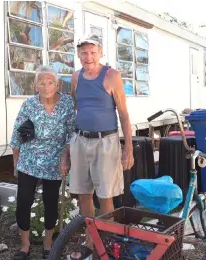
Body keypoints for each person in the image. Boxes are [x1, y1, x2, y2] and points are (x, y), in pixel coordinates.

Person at [69, 34, 135, 258]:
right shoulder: (76, 77)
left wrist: (128, 149)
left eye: (93, 52)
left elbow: (124, 115)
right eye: (84, 53)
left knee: (105, 195)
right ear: (78, 54)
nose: (88, 57)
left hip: (105, 142)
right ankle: (90, 239)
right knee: (83, 194)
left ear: (101, 52)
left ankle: (106, 242)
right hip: (80, 140)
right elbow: (77, 106)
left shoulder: (112, 76)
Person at [9, 65, 75, 260]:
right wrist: (16, 163)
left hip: (55, 161)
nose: (46, 87)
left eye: (50, 83)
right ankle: (25, 246)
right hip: (29, 161)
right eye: (42, 83)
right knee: (23, 203)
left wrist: (66, 156)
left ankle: (48, 245)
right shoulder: (29, 104)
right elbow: (16, 134)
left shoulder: (67, 104)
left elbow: (72, 132)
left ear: (57, 84)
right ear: (35, 86)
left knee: (51, 203)